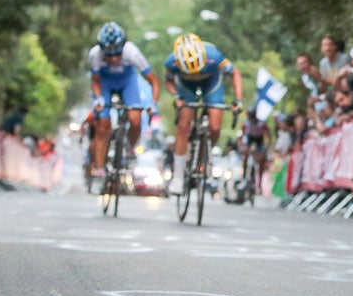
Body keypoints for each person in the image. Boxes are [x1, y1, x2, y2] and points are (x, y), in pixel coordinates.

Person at [163, 32, 243, 196]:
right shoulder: (170, 62)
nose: (195, 73)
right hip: (185, 86)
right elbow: (168, 81)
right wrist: (176, 96)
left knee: (214, 125)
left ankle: (207, 155)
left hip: (211, 83)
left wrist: (238, 100)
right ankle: (178, 176)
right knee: (183, 126)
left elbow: (235, 73)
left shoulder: (214, 55)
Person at [87, 22, 161, 181]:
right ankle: (100, 168)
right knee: (102, 125)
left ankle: (130, 147)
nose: (113, 59)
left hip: (127, 82)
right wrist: (99, 98)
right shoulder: (95, 55)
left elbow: (153, 81)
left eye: (117, 54)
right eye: (109, 55)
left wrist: (153, 103)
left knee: (135, 119)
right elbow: (95, 81)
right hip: (105, 84)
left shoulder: (132, 52)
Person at [239, 110, 273, 195]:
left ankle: (259, 183)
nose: (252, 120)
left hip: (259, 141)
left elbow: (268, 136)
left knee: (261, 160)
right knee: (245, 156)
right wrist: (242, 146)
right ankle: (243, 177)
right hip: (249, 140)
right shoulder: (246, 123)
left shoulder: (262, 124)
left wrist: (267, 146)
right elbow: (242, 135)